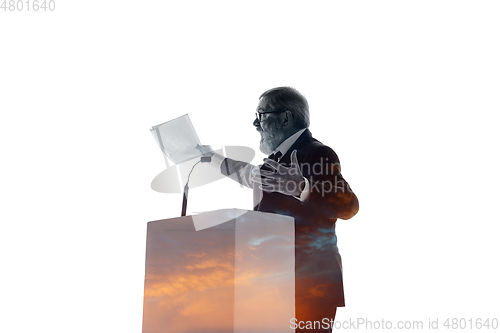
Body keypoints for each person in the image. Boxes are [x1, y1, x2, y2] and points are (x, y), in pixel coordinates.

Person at [203, 87, 359, 332]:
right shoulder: (274, 162)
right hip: (272, 284)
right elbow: (246, 174)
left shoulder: (318, 153)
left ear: (285, 118)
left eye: (261, 114)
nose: (255, 123)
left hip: (309, 288)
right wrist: (208, 157)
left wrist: (301, 187)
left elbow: (349, 205)